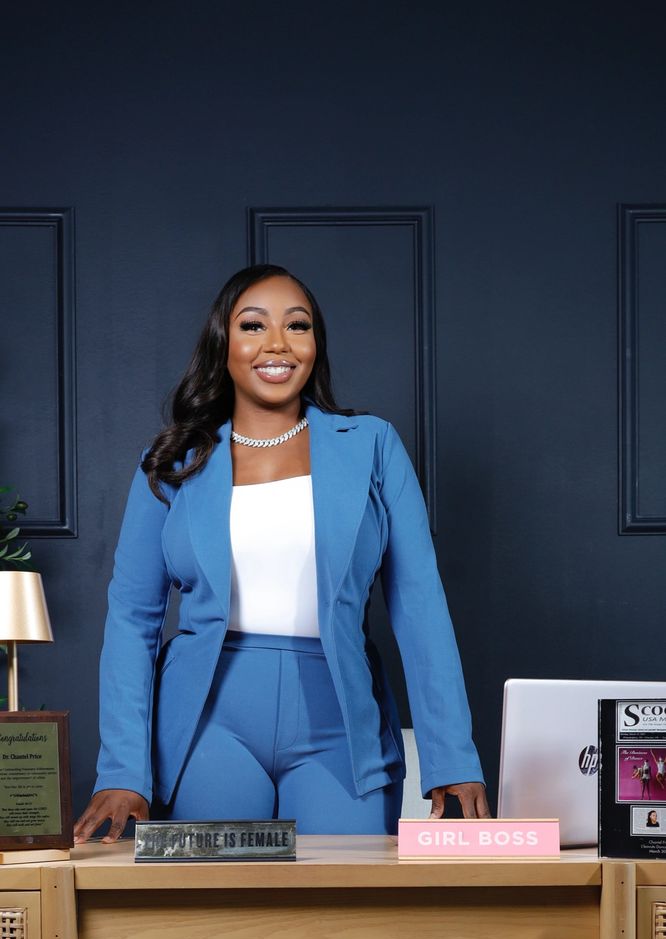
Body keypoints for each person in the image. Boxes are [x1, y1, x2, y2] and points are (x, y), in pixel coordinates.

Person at [74, 264, 489, 843]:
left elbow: (420, 606)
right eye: (253, 326)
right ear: (224, 346)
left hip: (339, 718)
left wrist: (452, 760)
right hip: (206, 722)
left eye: (298, 326)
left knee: (345, 917)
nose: (277, 344)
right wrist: (121, 769)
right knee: (212, 922)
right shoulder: (173, 460)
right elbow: (132, 619)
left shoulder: (372, 446)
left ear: (315, 345)